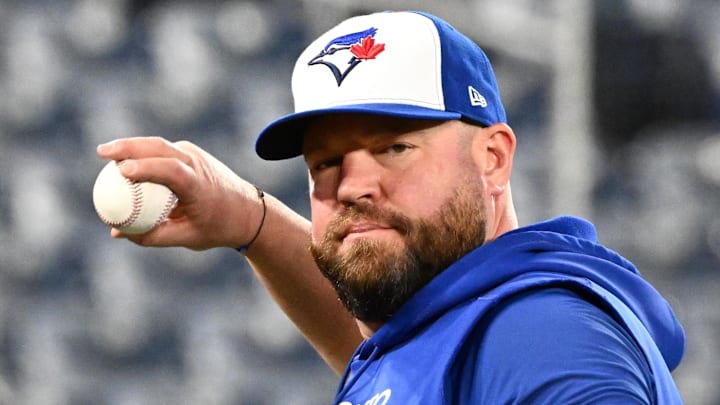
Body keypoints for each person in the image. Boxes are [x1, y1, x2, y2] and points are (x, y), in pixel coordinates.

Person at [96, 10, 685, 404]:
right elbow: (401, 366)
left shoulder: (542, 338)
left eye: (395, 147)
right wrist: (252, 223)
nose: (352, 185)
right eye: (325, 162)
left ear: (494, 158)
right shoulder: (448, 331)